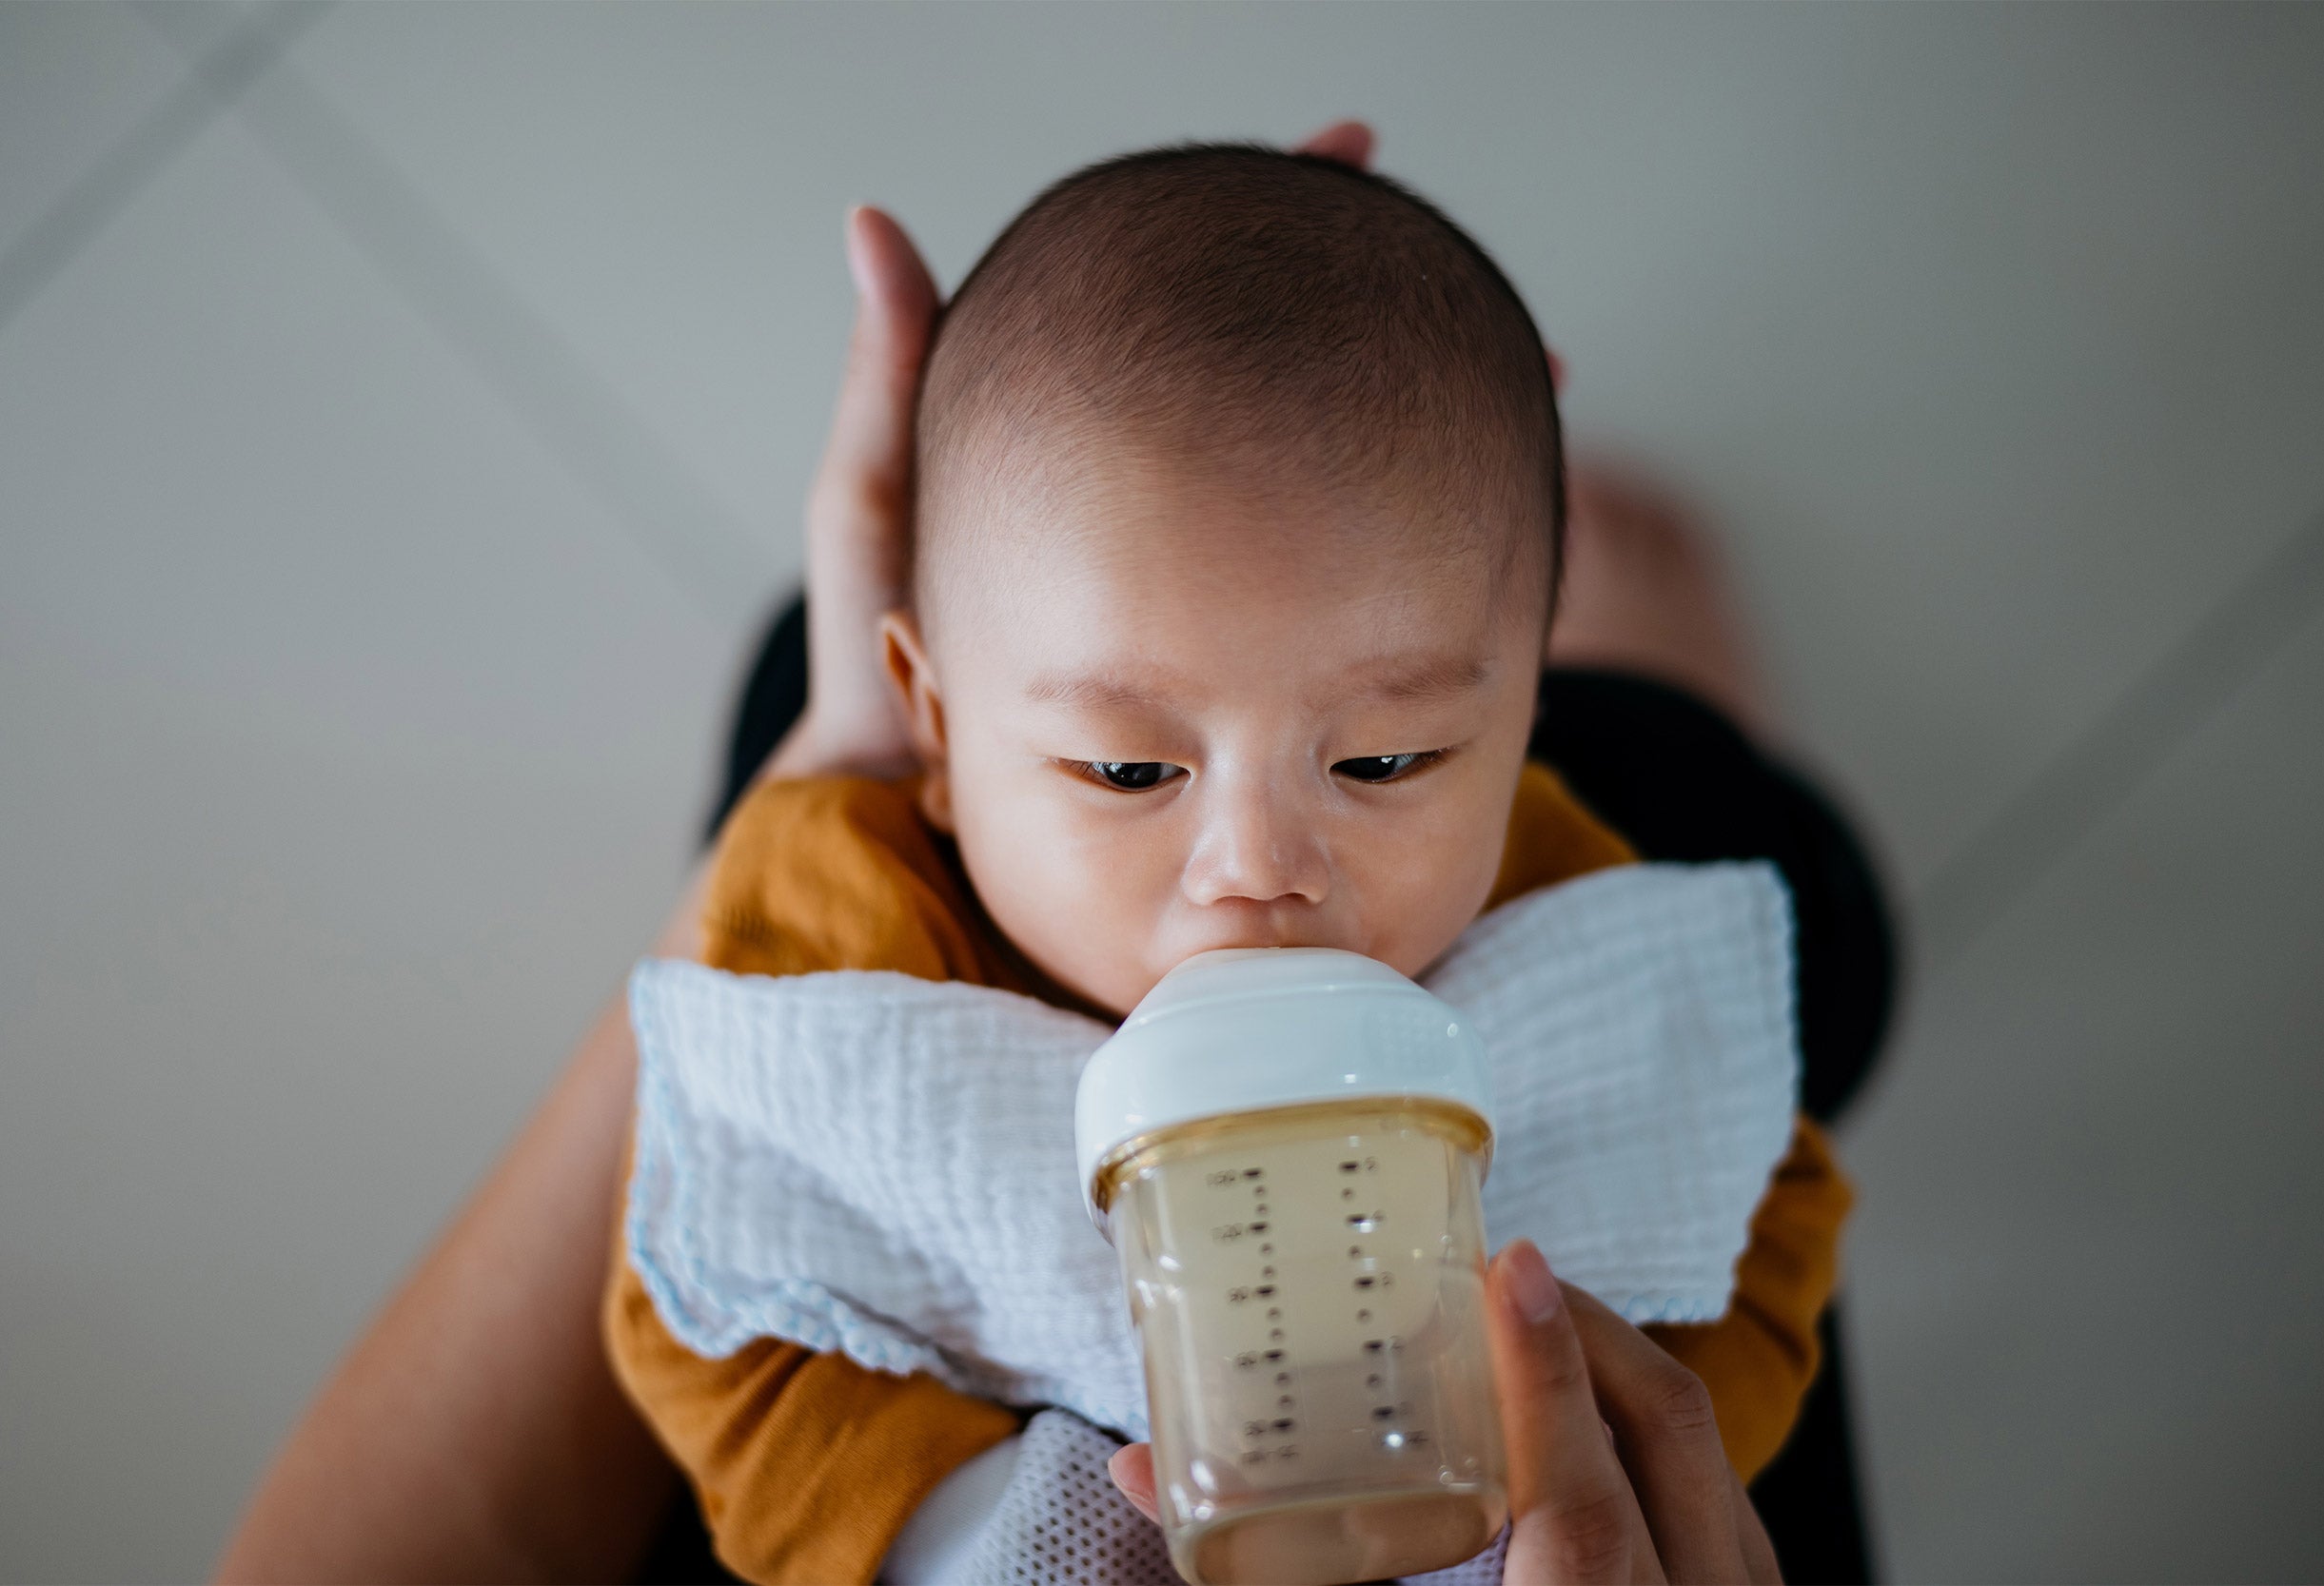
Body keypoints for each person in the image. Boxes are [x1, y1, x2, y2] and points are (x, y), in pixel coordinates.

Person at [215, 122, 1890, 1585]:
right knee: (1764, 847)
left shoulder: (1561, 892)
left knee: (1709, 836)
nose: (1257, 865)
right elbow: (725, 1302)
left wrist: (1559, 1465)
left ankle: (1635, 658)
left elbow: (1749, 1210)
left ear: (1522, 726)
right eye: (1122, 764)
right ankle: (1660, 653)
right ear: (930, 730)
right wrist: (970, 1541)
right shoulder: (851, 930)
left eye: (1387, 756)